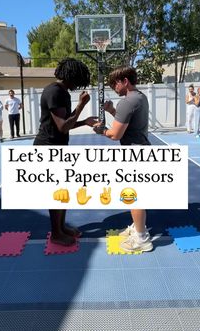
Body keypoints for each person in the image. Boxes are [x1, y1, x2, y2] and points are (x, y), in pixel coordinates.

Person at [33, 58, 98, 246]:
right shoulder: (54, 91)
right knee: (57, 192)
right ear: (72, 76)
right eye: (79, 79)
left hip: (58, 146)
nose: (79, 85)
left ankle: (61, 228)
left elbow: (65, 123)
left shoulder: (62, 92)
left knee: (64, 190)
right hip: (48, 147)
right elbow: (62, 127)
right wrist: (81, 106)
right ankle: (56, 234)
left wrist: (83, 121)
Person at [94, 66, 153, 253]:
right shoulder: (140, 97)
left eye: (115, 84)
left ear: (125, 81)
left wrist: (98, 129)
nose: (113, 88)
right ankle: (137, 228)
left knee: (134, 196)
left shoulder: (127, 102)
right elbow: (128, 123)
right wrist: (112, 110)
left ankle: (142, 238)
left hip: (134, 153)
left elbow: (115, 134)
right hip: (142, 148)